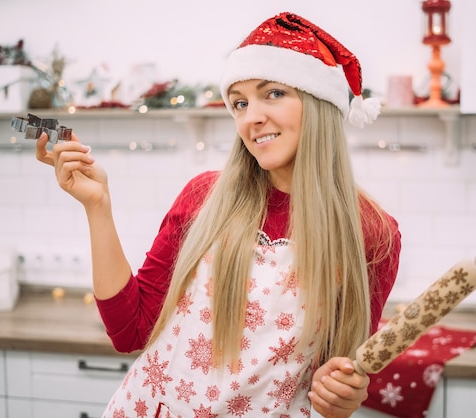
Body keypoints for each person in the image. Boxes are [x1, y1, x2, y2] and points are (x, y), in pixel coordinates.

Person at [36, 11, 401, 418]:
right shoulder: (204, 197)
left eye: (274, 93)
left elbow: (333, 378)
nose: (251, 117)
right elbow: (130, 330)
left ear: (319, 103)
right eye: (240, 103)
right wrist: (97, 206)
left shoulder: (371, 232)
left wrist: (341, 397)